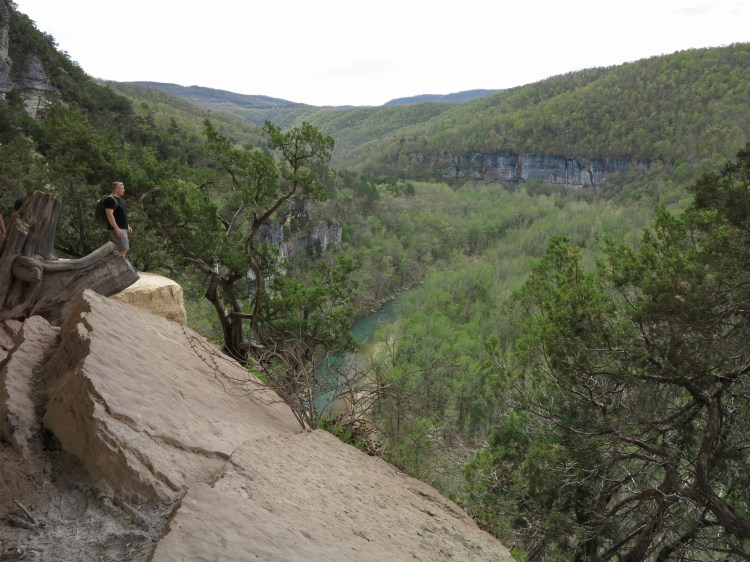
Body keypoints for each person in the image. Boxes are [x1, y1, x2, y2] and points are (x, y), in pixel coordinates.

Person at [104, 181, 132, 256]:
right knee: (122, 249)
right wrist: (116, 228)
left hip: (123, 228)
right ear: (117, 189)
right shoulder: (110, 199)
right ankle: (119, 267)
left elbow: (122, 214)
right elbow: (109, 215)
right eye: (122, 188)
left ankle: (120, 266)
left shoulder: (120, 200)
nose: (124, 190)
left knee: (123, 249)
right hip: (117, 229)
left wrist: (127, 226)